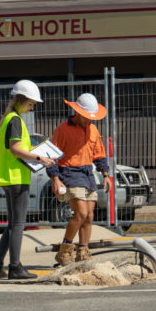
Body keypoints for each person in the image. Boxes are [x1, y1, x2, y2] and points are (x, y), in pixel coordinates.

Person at [0, 79, 55, 280]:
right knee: (18, 224)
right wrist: (40, 158)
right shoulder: (15, 120)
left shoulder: (9, 118)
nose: (32, 106)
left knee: (12, 225)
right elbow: (16, 149)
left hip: (9, 178)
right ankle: (15, 267)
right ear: (22, 99)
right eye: (31, 103)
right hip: (17, 178)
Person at [47, 92, 109, 265]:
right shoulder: (62, 129)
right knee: (80, 213)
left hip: (88, 173)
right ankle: (65, 250)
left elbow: (99, 155)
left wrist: (105, 174)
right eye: (87, 116)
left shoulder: (93, 130)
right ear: (78, 112)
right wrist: (55, 178)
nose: (90, 119)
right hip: (69, 172)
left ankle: (83, 251)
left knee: (89, 215)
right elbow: (52, 156)